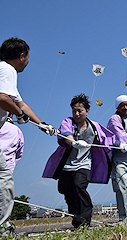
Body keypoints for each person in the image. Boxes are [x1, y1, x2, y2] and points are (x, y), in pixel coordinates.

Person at [0, 37, 57, 229]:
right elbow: (2, 97)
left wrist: (41, 124)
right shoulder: (8, 69)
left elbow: (20, 103)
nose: (28, 61)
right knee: (4, 179)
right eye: (28, 57)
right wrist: (19, 114)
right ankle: (2, 226)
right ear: (22, 56)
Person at [42, 94, 115, 228]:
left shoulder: (94, 127)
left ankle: (84, 221)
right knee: (66, 191)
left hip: (84, 164)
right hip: (67, 166)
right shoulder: (68, 122)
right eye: (74, 110)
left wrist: (120, 144)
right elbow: (65, 134)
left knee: (79, 187)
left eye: (79, 110)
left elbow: (108, 139)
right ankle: (76, 216)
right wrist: (74, 142)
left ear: (87, 111)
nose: (76, 114)